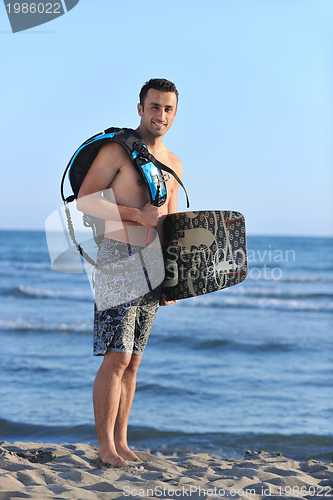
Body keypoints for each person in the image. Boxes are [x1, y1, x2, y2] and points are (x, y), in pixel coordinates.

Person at [76, 79, 182, 468]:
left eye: (168, 109)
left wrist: (174, 276)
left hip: (153, 264)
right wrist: (137, 214)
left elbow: (171, 224)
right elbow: (87, 201)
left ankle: (121, 442)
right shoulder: (117, 151)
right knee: (116, 356)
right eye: (154, 107)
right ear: (140, 109)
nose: (161, 116)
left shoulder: (174, 163)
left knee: (134, 361)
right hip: (117, 256)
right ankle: (105, 447)